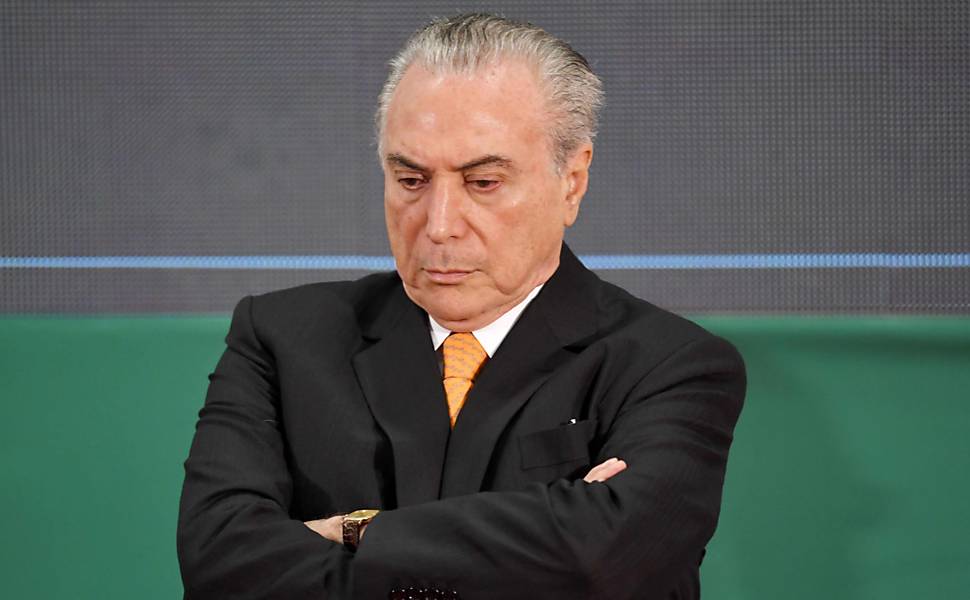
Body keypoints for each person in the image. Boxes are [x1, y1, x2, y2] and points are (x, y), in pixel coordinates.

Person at [177, 13, 745, 600]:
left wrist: (357, 531)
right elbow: (221, 566)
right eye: (411, 181)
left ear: (572, 182)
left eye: (484, 182)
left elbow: (606, 558)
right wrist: (552, 529)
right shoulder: (281, 338)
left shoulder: (673, 366)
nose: (439, 225)